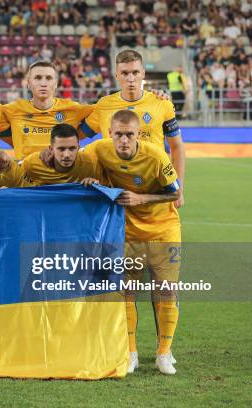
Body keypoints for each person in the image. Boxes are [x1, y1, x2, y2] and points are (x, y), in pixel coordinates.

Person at [84, 110, 182, 375]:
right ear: (111, 134)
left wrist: (142, 199)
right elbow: (70, 161)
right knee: (126, 292)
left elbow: (175, 193)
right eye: (119, 134)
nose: (124, 140)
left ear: (138, 134)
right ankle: (131, 352)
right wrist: (91, 180)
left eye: (129, 134)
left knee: (166, 292)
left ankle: (164, 352)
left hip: (163, 229)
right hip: (127, 230)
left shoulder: (156, 156)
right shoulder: (99, 150)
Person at [80, 49, 186, 209]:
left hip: (153, 189)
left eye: (135, 72)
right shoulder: (104, 105)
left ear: (143, 73)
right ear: (116, 75)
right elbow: (78, 134)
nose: (130, 79)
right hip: (115, 191)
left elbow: (177, 146)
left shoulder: (161, 103)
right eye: (124, 73)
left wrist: (179, 187)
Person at [1, 60, 93, 160]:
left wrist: (79, 134)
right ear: (28, 83)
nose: (43, 83)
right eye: (38, 78)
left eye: (48, 78)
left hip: (62, 174)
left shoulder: (74, 109)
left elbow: (101, 111)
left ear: (56, 83)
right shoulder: (13, 110)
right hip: (25, 174)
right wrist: (14, 139)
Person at [18, 123, 102, 185]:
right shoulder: (32, 163)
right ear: (51, 149)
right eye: (61, 149)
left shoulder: (88, 164)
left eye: (72, 148)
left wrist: (93, 183)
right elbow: (16, 179)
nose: (66, 155)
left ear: (78, 148)